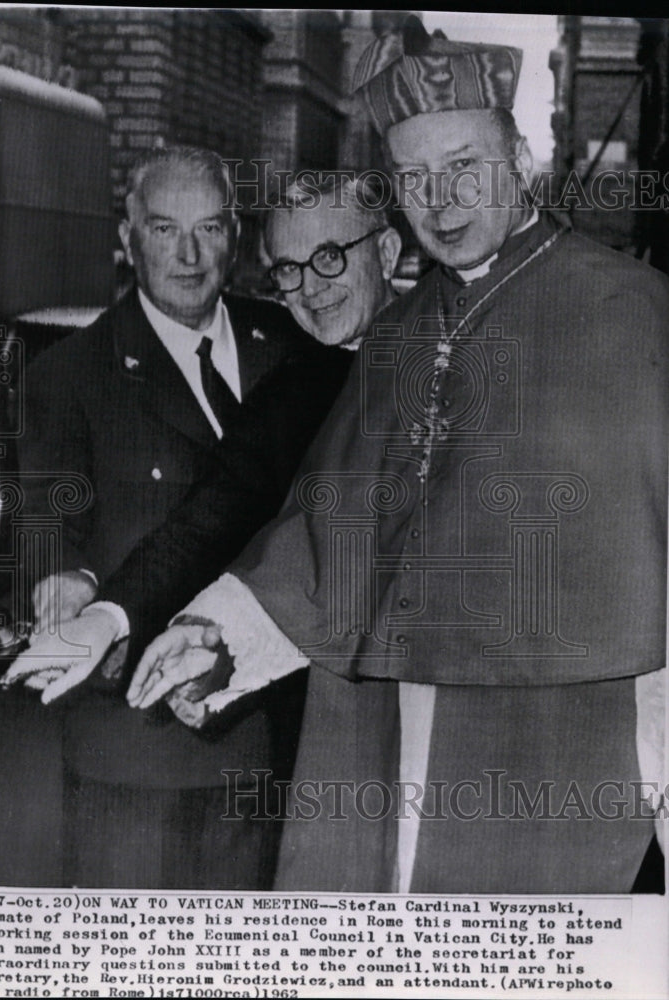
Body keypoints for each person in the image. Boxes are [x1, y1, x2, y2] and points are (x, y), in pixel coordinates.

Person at [127, 19, 668, 894]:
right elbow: (331, 528)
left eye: (464, 167)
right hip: (385, 738)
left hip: (559, 747)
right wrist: (217, 633)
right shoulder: (403, 332)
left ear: (520, 158)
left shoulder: (637, 313)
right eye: (416, 178)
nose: (442, 201)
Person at [2, 167, 402, 888]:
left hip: (314, 735)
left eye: (209, 229)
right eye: (164, 230)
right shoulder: (71, 372)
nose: (188, 256)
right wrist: (85, 595)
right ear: (128, 240)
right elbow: (195, 515)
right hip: (152, 740)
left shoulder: (300, 338)